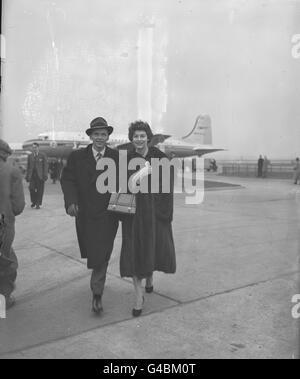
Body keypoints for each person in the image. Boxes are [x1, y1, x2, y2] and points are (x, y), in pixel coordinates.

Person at [60, 117, 119, 315]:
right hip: (85, 213)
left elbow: (126, 183)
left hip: (108, 214)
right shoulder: (77, 157)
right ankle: (97, 282)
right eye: (96, 134)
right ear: (90, 136)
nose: (100, 138)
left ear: (108, 136)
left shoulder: (117, 156)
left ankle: (97, 293)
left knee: (102, 252)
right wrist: (70, 202)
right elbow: (68, 180)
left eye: (103, 134)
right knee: (92, 249)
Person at [120, 120, 176, 317]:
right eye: (135, 136)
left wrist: (164, 213)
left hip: (154, 212)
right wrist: (122, 212)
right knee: (134, 254)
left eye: (142, 136)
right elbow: (121, 187)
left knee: (152, 250)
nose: (139, 139)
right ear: (131, 138)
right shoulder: (125, 159)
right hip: (133, 214)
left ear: (148, 138)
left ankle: (150, 279)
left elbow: (167, 188)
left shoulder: (160, 158)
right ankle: (138, 296)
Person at [0, 139, 25, 309]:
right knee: (6, 260)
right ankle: (4, 299)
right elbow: (18, 206)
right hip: (4, 222)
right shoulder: (11, 170)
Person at [25, 142, 48, 209]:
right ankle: (34, 201)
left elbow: (45, 166)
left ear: (38, 147)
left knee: (39, 190)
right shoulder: (30, 156)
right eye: (33, 147)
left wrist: (45, 175)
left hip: (40, 176)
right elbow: (28, 166)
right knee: (31, 189)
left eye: (35, 147)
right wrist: (27, 176)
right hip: (32, 176)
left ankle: (38, 203)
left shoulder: (42, 155)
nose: (34, 149)